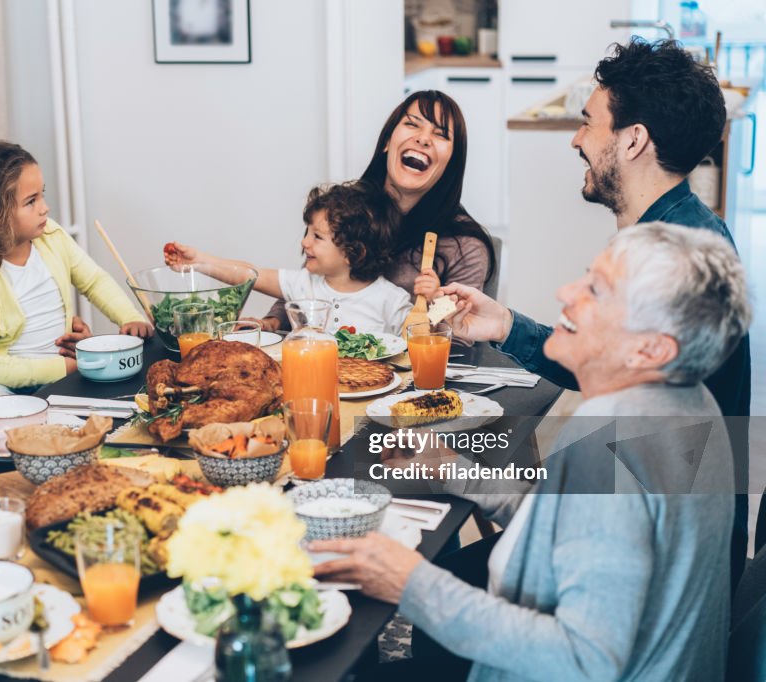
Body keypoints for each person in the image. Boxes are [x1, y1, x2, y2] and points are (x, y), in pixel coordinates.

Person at [315, 222, 751, 681]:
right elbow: (571, 519)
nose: (566, 291)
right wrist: (453, 470)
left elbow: (585, 660)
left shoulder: (610, 444)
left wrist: (410, 583)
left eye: (597, 291)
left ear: (650, 348)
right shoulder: (694, 403)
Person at [441, 38, 753, 584]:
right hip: (651, 531)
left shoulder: (668, 264)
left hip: (655, 565)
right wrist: (506, 325)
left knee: (439, 572)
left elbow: (619, 494)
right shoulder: (673, 231)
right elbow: (610, 366)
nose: (576, 140)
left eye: (588, 122)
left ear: (633, 140)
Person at [260, 90, 495, 331]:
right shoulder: (348, 208)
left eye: (440, 134)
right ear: (386, 142)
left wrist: (436, 300)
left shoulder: (465, 247)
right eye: (412, 124)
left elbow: (457, 337)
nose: (424, 139)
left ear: (452, 162)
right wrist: (272, 322)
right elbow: (308, 283)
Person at [0, 141, 151, 416]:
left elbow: (94, 280)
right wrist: (66, 368)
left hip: (57, 371)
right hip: (2, 382)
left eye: (42, 196)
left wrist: (129, 317)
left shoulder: (52, 237)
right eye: (31, 201)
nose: (45, 208)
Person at [165, 181, 410, 335]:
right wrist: (198, 261)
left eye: (317, 236)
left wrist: (438, 305)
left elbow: (421, 340)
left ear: (353, 253)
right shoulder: (303, 284)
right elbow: (249, 274)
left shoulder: (391, 300)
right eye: (307, 232)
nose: (305, 242)